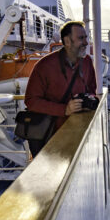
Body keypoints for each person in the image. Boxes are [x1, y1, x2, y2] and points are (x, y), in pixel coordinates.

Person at [24, 21, 97, 155]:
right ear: (67, 41)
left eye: (86, 37)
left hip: (78, 134)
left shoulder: (86, 62)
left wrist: (87, 102)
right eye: (81, 38)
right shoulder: (45, 65)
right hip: (49, 139)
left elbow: (92, 89)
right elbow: (31, 101)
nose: (86, 42)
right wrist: (64, 109)